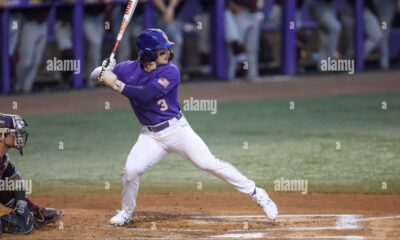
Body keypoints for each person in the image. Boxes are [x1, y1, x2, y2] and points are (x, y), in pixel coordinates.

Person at [90, 29, 278, 225]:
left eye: (167, 50)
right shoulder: (127, 69)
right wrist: (104, 68)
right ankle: (126, 212)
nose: (168, 54)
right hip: (150, 136)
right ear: (147, 54)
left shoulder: (170, 71)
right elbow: (95, 76)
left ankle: (259, 194)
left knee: (209, 164)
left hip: (177, 130)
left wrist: (116, 84)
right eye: (162, 51)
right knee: (131, 171)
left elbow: (146, 94)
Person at [0, 113, 63, 235]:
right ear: (2, 135)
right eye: (15, 132)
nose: (19, 135)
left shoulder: (3, 160)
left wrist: (25, 207)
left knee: (5, 187)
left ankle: (29, 212)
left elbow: (16, 182)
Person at [224, 0, 263, 80]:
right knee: (237, 45)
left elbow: (260, 2)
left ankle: (252, 74)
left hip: (254, 14)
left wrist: (260, 11)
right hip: (241, 13)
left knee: (252, 49)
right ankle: (230, 74)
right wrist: (233, 6)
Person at [307, 0, 342, 65]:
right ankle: (330, 61)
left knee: (325, 39)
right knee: (335, 28)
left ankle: (322, 65)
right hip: (318, 7)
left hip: (326, 8)